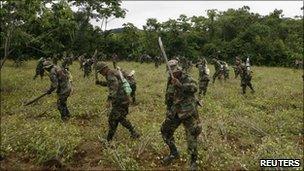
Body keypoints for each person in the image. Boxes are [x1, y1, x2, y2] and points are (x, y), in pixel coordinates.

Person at [161, 59, 202, 170]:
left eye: (174, 72)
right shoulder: (170, 80)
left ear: (179, 70)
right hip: (175, 112)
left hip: (188, 112)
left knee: (191, 136)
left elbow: (194, 88)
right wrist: (168, 111)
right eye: (170, 72)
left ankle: (193, 162)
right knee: (165, 131)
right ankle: (174, 153)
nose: (172, 74)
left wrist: (180, 85)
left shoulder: (187, 78)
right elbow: (169, 97)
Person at [95, 62, 140, 141]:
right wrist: (100, 83)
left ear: (105, 69)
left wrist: (109, 100)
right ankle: (110, 139)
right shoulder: (113, 72)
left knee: (114, 119)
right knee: (118, 118)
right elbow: (112, 83)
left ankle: (133, 132)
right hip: (124, 99)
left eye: (101, 71)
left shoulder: (110, 75)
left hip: (120, 100)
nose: (101, 74)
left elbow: (114, 87)